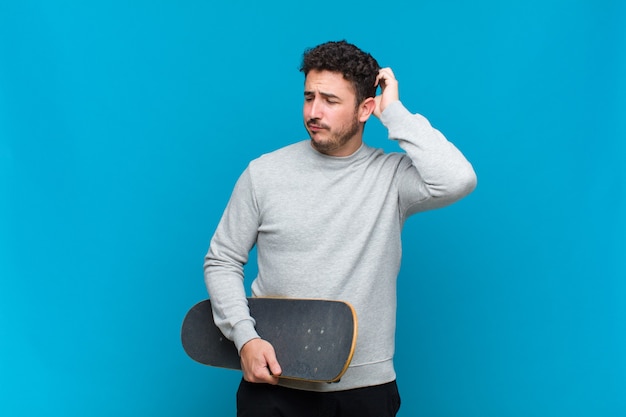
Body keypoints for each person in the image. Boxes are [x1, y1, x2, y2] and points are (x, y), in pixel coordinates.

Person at [203, 40, 477, 416]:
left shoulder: (392, 178)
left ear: (366, 109)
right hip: (275, 387)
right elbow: (222, 260)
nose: (314, 112)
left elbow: (458, 178)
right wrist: (245, 338)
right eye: (309, 97)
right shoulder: (263, 173)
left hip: (365, 389)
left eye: (330, 101)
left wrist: (394, 112)